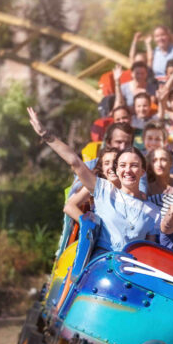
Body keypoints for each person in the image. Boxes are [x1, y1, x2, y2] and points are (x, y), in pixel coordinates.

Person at [27, 108, 161, 253]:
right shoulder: (104, 190)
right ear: (116, 169)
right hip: (101, 264)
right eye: (122, 165)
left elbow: (150, 252)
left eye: (134, 166)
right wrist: (46, 135)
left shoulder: (152, 212)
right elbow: (75, 161)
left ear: (142, 171)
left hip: (129, 269)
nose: (128, 170)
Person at [64, 147, 120, 222]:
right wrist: (89, 224)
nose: (111, 166)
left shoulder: (130, 187)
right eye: (107, 163)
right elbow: (69, 207)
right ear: (102, 168)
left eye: (115, 163)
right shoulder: (97, 186)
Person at [146, 148, 173, 218]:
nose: (159, 164)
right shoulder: (147, 189)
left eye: (163, 160)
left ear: (171, 162)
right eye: (154, 160)